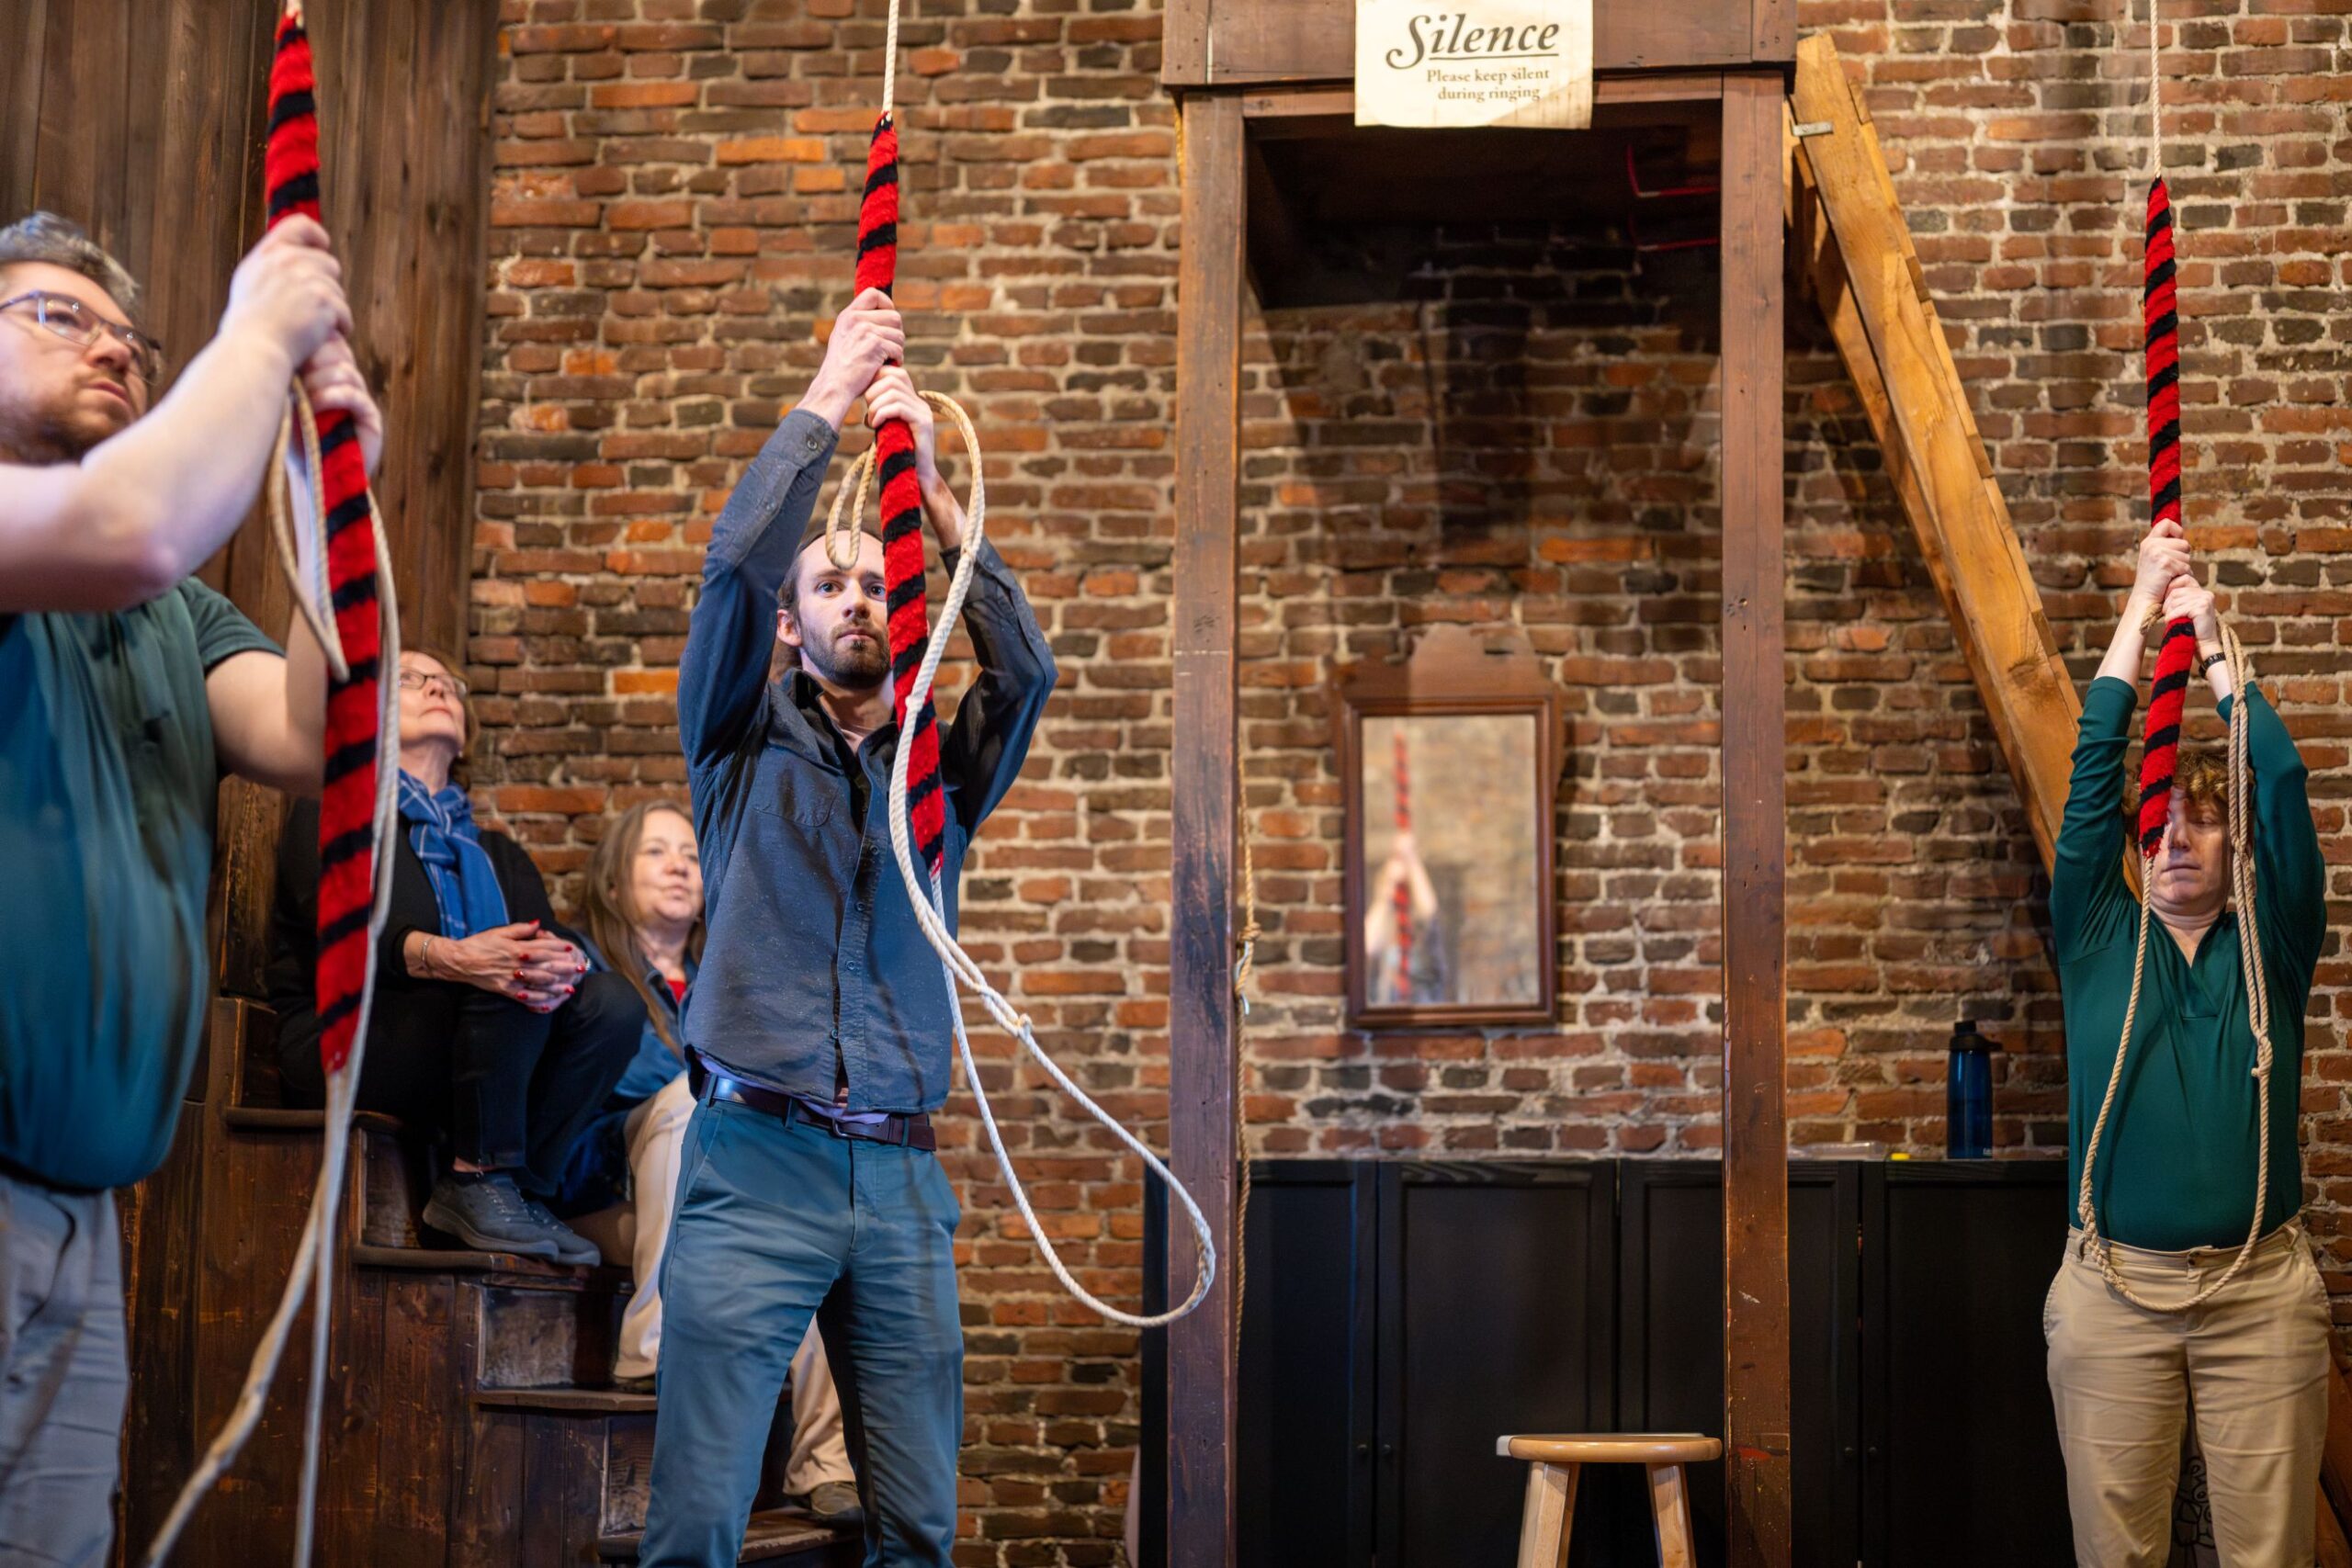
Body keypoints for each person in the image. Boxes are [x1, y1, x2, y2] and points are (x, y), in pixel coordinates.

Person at [639, 291, 1057, 1566]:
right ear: (791, 620)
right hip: (752, 1157)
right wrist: (830, 400)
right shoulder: (735, 738)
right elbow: (732, 568)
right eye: (831, 583)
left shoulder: (938, 768)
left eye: (877, 582)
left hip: (898, 1174)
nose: (856, 598)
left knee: (919, 1523)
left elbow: (1025, 668)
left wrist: (926, 496)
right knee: (699, 1519)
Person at [0, 209, 373, 1563]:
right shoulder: (82, 532)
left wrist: (334, 505)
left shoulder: (166, 609)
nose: (112, 346)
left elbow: (313, 734)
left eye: (133, 342)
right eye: (57, 316)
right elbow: (136, 521)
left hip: (85, 1203)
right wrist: (262, 329)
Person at [2045, 518, 2330, 1564]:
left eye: (2199, 821)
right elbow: (2090, 777)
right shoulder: (2095, 936)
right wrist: (2137, 606)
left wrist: (2213, 648)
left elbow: (2286, 795)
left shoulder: (2275, 939)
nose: (2172, 839)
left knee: (2268, 1555)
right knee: (2116, 1553)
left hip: (2258, 1294)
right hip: (2114, 1294)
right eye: (2157, 823)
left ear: (2229, 842)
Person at [267, 645, 645, 1264]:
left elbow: (539, 955)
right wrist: (457, 958)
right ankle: (475, 1178)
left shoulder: (499, 854)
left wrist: (563, 965)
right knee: (504, 972)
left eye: (449, 683)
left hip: (470, 1048)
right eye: (413, 679)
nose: (439, 688)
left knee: (612, 1004)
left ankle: (515, 1189)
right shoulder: (335, 807)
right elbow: (345, 929)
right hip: (355, 1033)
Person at [574, 800, 863, 1529]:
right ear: (613, 882)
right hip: (609, 1192)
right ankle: (651, 1346)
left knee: (819, 1251)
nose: (678, 865)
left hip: (715, 1192)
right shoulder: (586, 967)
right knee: (685, 1099)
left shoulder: (721, 977)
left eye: (691, 855)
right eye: (655, 852)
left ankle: (824, 1465)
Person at [1363, 828, 1450, 1004]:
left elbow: (1429, 914)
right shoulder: (1385, 927)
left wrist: (1410, 858)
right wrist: (1386, 889)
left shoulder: (1422, 933)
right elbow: (1366, 946)